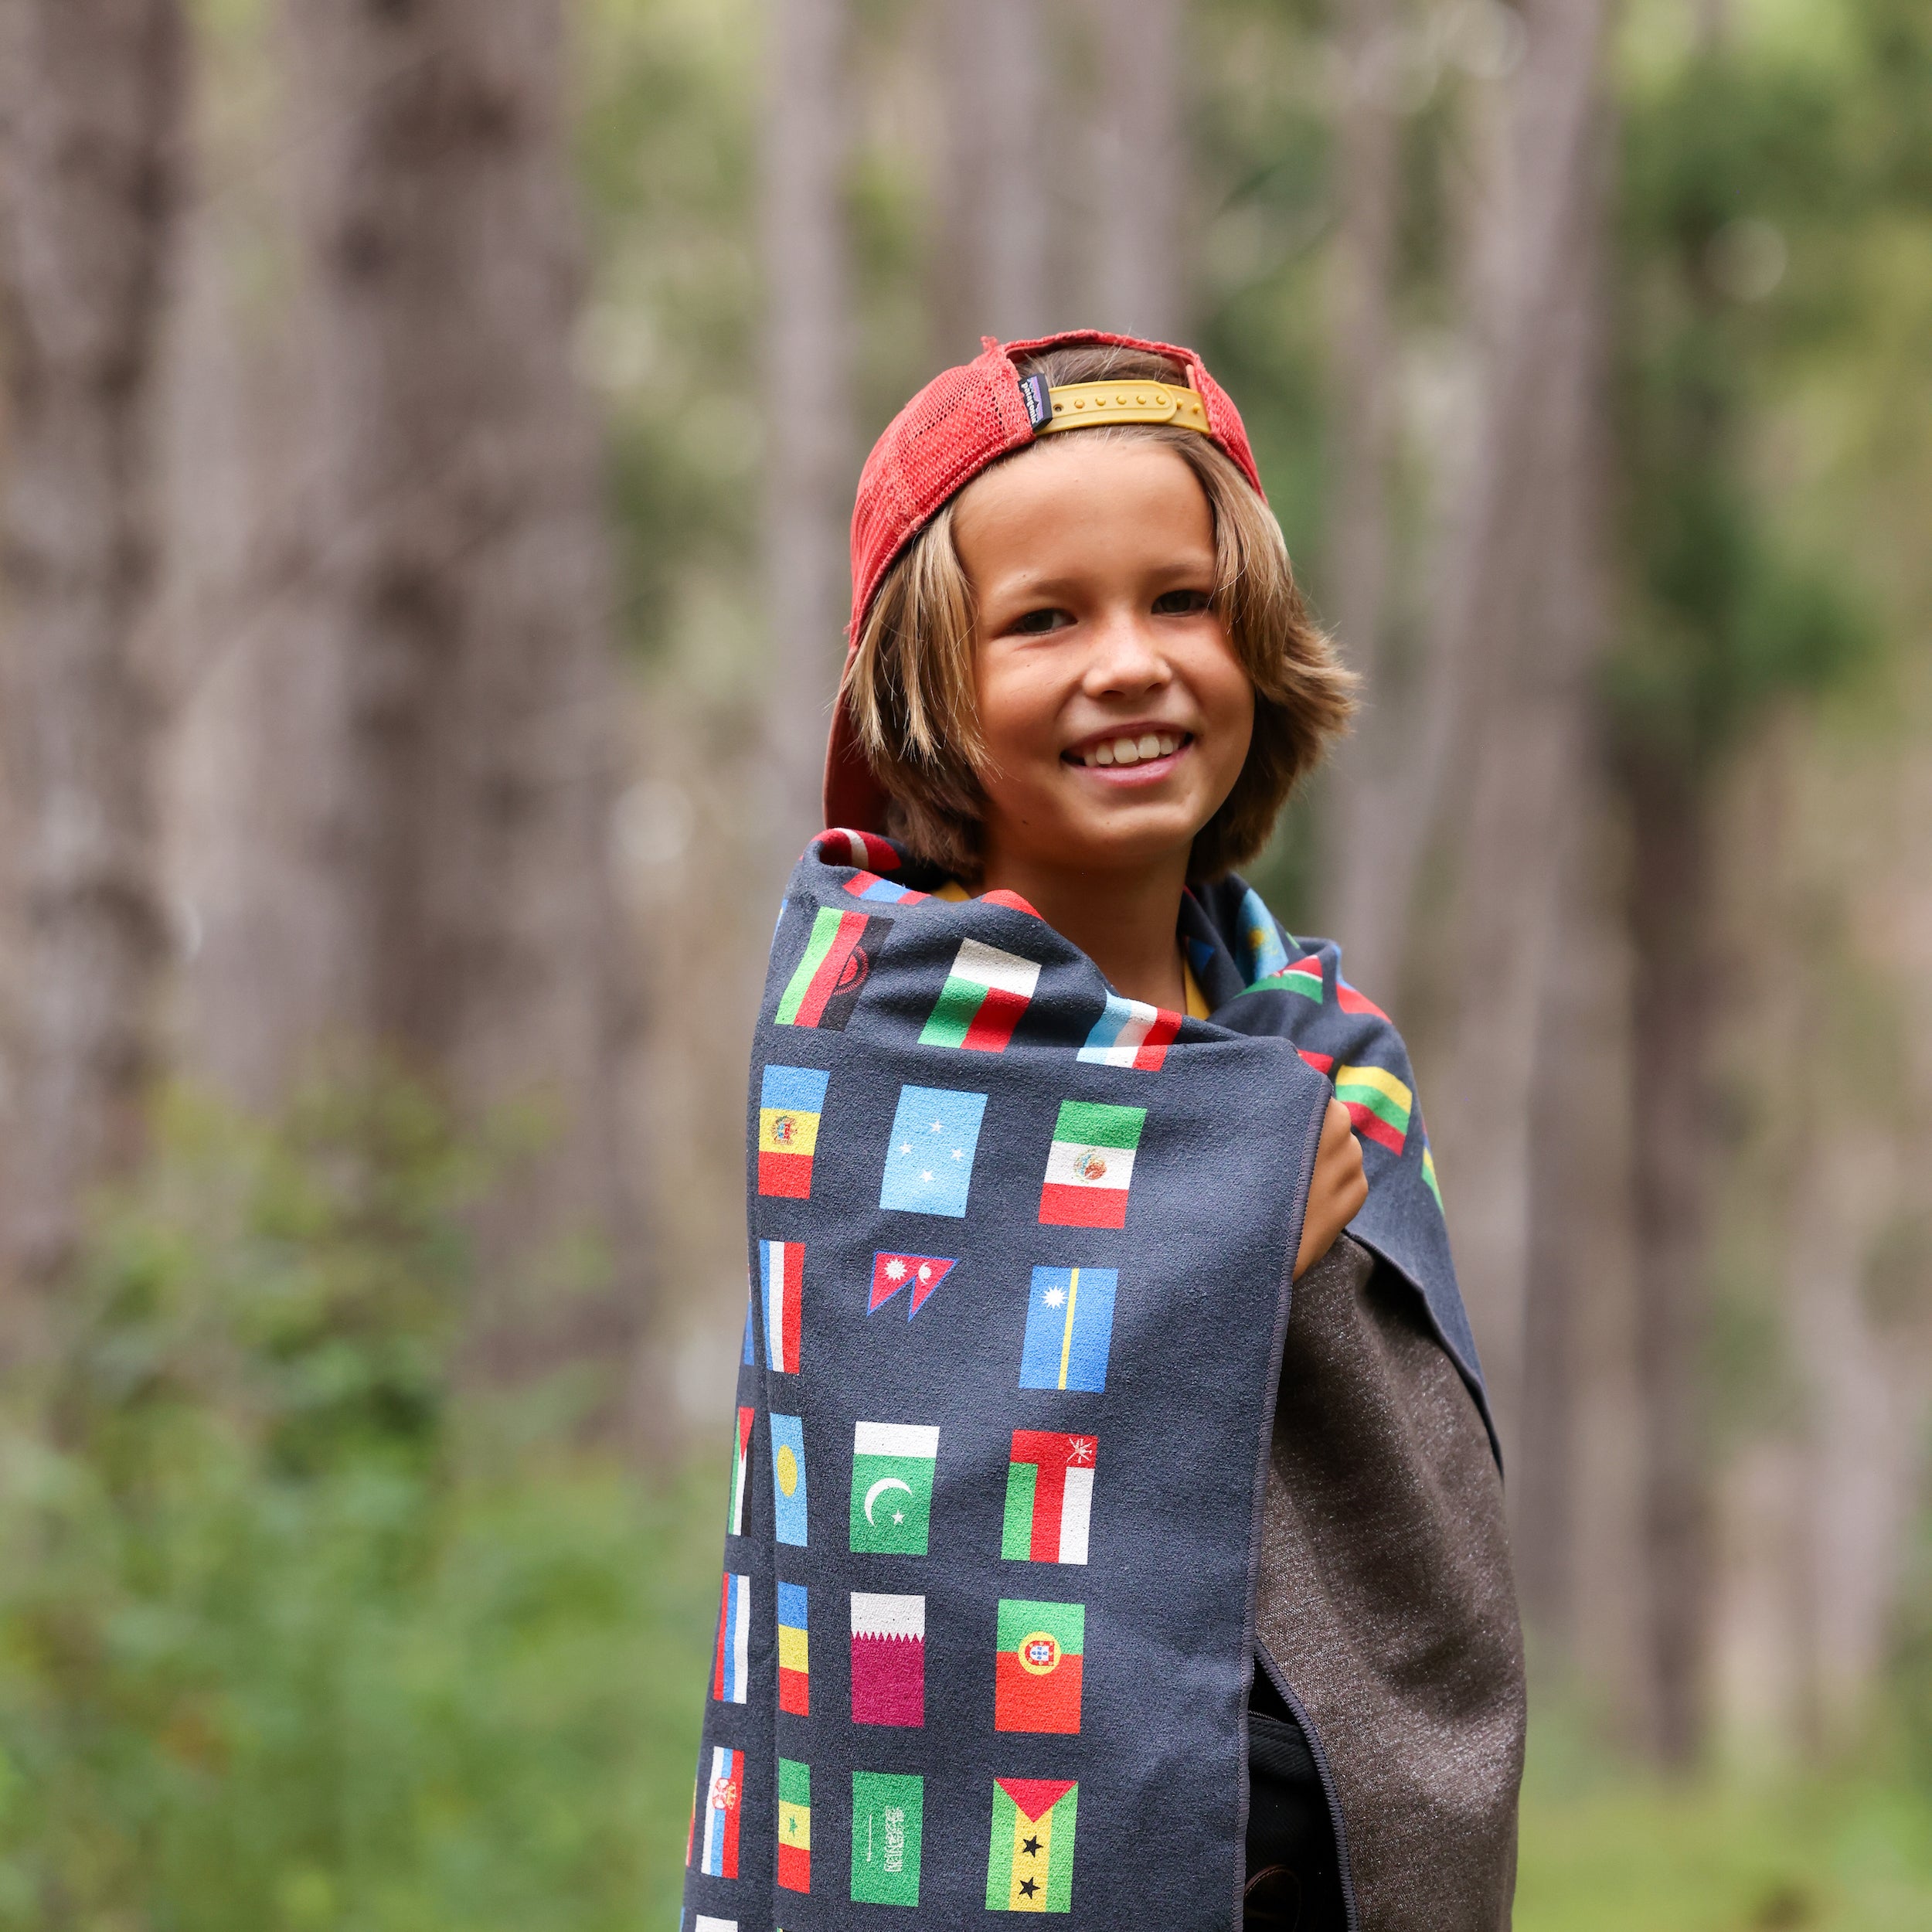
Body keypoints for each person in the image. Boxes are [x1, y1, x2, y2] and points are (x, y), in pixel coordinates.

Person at [688, 332, 1525, 1932]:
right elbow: (906, 1490)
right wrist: (1210, 1244)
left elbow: (1422, 1549)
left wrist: (1233, 1184)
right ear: (930, 695)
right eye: (1043, 619)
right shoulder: (873, 1038)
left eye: (1180, 600)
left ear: (1255, 643)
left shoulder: (1316, 1054)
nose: (1128, 661)